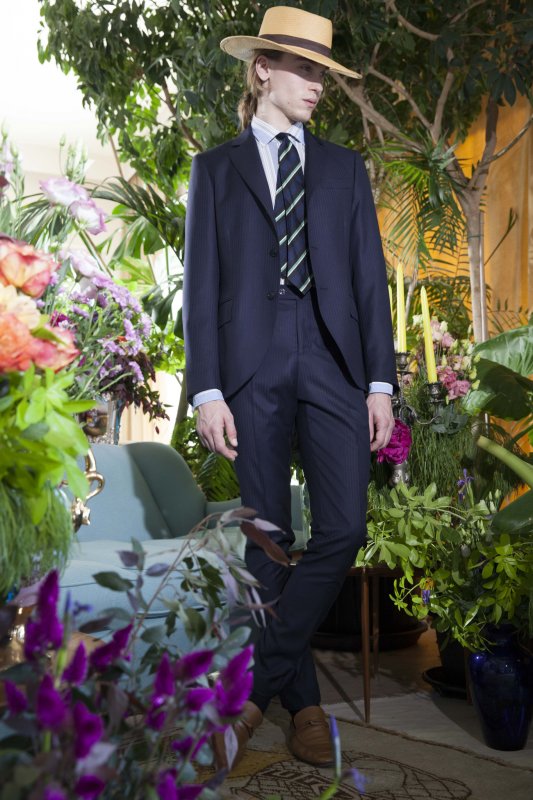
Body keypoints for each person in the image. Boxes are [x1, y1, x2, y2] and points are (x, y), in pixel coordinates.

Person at [183, 5, 397, 770]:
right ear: (262, 69)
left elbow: (369, 280)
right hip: (250, 361)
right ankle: (304, 706)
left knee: (344, 527)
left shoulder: (343, 168)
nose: (315, 85)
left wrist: (380, 382)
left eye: (322, 74)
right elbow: (199, 286)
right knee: (268, 542)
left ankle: (250, 693)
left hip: (334, 358)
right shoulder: (215, 169)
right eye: (304, 69)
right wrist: (206, 390)